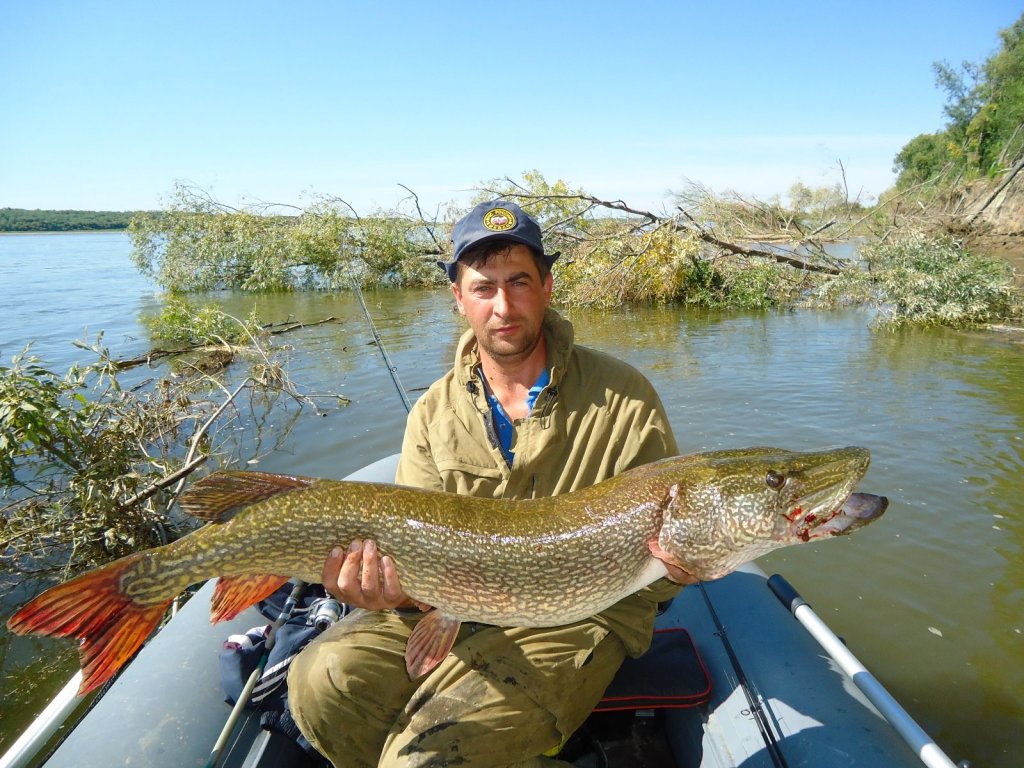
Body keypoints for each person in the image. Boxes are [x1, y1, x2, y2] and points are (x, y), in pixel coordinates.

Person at [287, 200, 693, 767]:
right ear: (459, 298)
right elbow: (413, 567)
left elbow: (657, 579)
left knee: (420, 760)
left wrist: (678, 565)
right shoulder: (432, 413)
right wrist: (378, 591)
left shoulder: (625, 397)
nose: (504, 306)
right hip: (451, 610)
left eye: (520, 281)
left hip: (579, 618)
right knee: (322, 681)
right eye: (484, 287)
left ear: (547, 286)